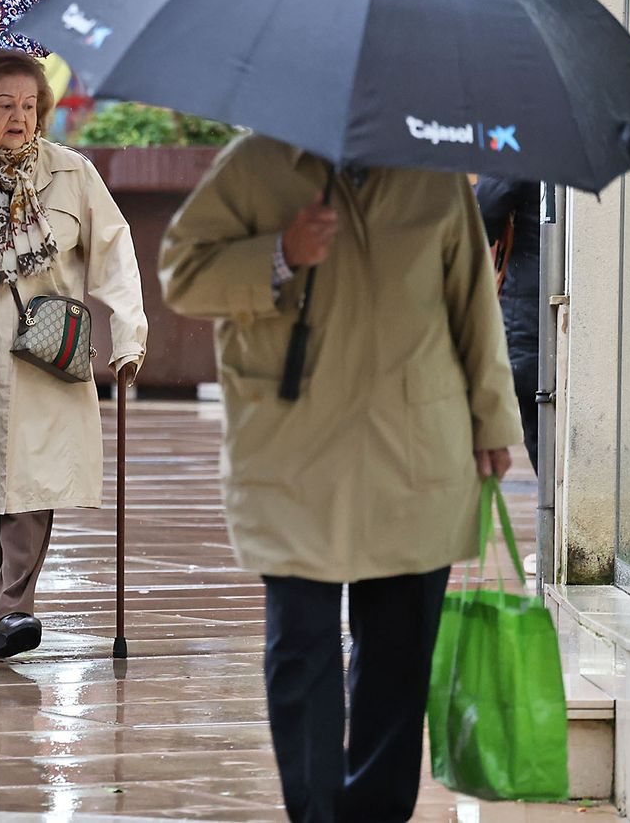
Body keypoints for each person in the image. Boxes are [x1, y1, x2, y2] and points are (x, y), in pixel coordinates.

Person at [160, 139, 522, 823]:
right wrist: (279, 253)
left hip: (412, 448)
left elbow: (472, 302)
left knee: (398, 654)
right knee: (302, 647)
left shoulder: (433, 174)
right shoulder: (255, 164)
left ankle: (378, 813)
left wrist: (492, 420)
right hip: (293, 450)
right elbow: (182, 272)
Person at [0, 49, 148, 661]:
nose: (20, 117)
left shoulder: (70, 174)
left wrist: (129, 338)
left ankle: (12, 610)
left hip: (43, 358)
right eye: (5, 105)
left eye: (30, 105)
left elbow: (114, 253)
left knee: (30, 485)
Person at [475, 176, 541, 472]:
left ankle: (551, 512)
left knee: (539, 425)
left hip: (529, 306)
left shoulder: (520, 138)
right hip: (545, 300)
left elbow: (482, 210)